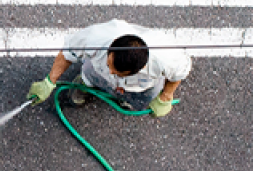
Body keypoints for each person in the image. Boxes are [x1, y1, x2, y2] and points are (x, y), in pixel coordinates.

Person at [27, 19, 191, 117]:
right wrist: (49, 81)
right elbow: (68, 52)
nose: (112, 72)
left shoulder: (167, 57)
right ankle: (84, 85)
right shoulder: (95, 37)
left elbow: (179, 73)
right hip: (96, 72)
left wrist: (165, 97)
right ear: (112, 47)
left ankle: (129, 100)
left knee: (145, 97)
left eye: (118, 73)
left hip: (141, 85)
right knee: (90, 74)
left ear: (140, 68)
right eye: (110, 65)